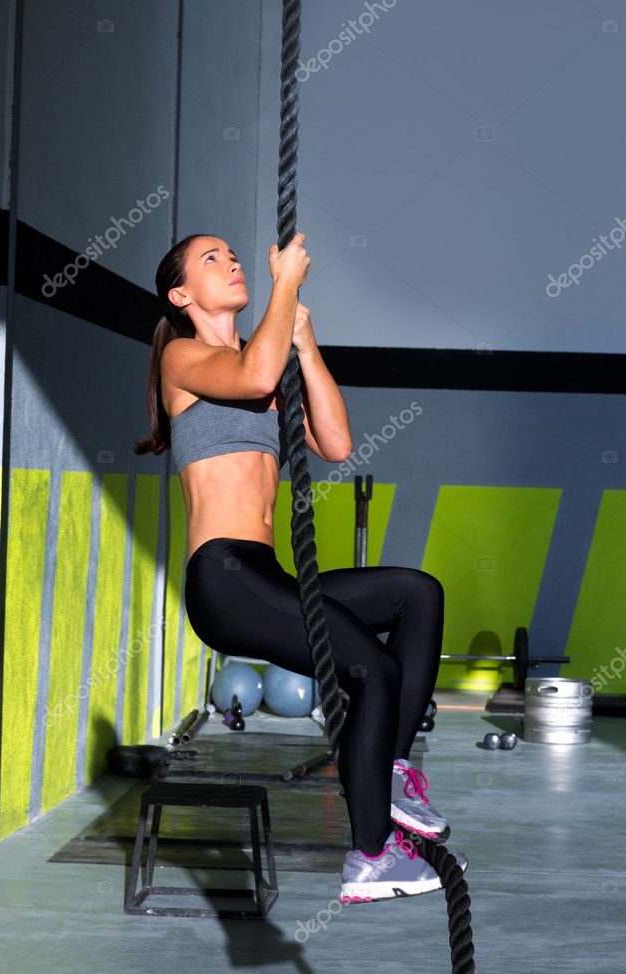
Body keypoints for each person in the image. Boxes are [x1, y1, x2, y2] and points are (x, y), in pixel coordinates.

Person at [135, 232, 465, 902]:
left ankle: (391, 770)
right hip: (224, 578)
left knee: (416, 595)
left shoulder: (266, 367)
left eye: (232, 254)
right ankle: (371, 855)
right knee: (370, 668)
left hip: (267, 574)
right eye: (211, 259)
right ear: (181, 295)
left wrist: (305, 344)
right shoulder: (184, 356)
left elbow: (337, 443)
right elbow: (255, 372)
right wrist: (285, 285)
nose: (230, 262)